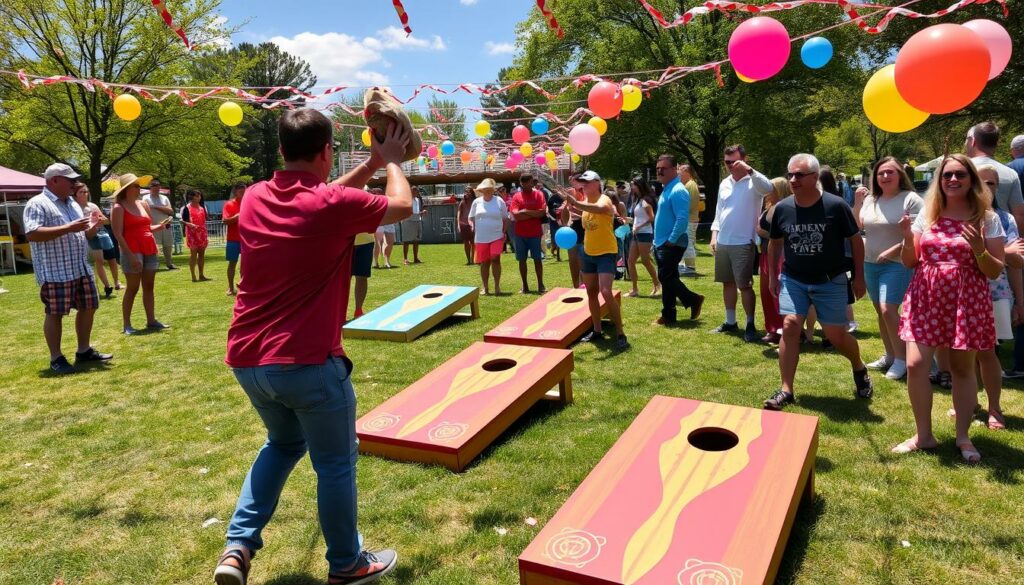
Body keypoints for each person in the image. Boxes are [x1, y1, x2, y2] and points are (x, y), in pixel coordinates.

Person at [217, 110, 410, 585]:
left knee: (282, 445)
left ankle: (238, 546)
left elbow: (323, 195)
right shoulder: (331, 205)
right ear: (326, 152)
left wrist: (367, 164)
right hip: (306, 363)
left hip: (248, 361)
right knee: (336, 464)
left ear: (282, 150)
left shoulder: (256, 196)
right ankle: (347, 563)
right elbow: (401, 206)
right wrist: (391, 161)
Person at [893, 154, 1005, 463]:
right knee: (916, 365)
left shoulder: (986, 217)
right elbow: (910, 260)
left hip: (966, 299)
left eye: (959, 175)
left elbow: (994, 270)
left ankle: (963, 437)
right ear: (939, 181)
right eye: (946, 175)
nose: (952, 180)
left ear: (971, 180)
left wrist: (980, 249)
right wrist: (905, 238)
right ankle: (923, 435)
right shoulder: (928, 214)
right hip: (925, 296)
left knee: (962, 369)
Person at [764, 154, 872, 410]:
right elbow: (775, 242)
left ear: (815, 177)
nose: (793, 179)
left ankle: (859, 367)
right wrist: (772, 276)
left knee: (836, 335)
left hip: (830, 280)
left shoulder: (836, 206)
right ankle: (786, 389)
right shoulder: (782, 208)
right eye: (790, 175)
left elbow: (855, 241)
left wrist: (859, 276)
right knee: (790, 325)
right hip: (794, 278)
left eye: (799, 175)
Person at [23, 163, 113, 374]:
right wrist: (69, 228)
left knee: (89, 306)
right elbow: (33, 233)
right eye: (70, 180)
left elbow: (82, 234)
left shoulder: (72, 203)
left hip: (80, 267)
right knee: (55, 312)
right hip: (55, 270)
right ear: (54, 180)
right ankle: (56, 357)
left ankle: (84, 350)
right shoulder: (37, 203)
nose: (74, 184)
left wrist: (92, 228)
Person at [852, 157, 923, 381]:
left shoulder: (910, 199)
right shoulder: (871, 199)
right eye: (881, 173)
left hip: (898, 263)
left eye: (890, 172)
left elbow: (917, 233)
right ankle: (890, 354)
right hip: (871, 262)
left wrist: (892, 251)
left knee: (887, 309)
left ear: (900, 174)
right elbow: (856, 226)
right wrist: (856, 203)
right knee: (880, 312)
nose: (885, 176)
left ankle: (902, 359)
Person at [971, 165, 1023, 430]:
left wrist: (1021, 302)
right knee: (965, 352)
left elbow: (1017, 260)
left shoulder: (1004, 219)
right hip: (964, 292)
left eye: (992, 184)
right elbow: (1008, 254)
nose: (986, 189)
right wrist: (1005, 251)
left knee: (988, 351)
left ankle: (995, 408)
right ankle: (969, 402)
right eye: (981, 183)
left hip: (996, 292)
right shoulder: (961, 214)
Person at [711, 145, 773, 342]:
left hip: (743, 242)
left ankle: (750, 324)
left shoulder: (753, 182)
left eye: (734, 161)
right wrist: (714, 235)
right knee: (727, 283)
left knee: (744, 285)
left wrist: (750, 170)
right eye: (727, 162)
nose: (730, 165)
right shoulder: (724, 183)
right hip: (723, 241)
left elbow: (768, 188)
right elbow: (719, 212)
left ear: (744, 159)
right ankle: (730, 321)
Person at [565, 170, 629, 350]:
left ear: (597, 183)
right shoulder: (585, 203)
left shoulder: (604, 200)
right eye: (582, 182)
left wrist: (577, 203)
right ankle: (597, 330)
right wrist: (568, 208)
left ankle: (620, 332)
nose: (583, 185)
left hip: (606, 252)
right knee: (591, 293)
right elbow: (573, 218)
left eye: (587, 182)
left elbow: (602, 210)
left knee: (606, 291)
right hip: (588, 253)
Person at [110, 173, 171, 335]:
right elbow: (118, 234)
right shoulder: (118, 207)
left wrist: (160, 226)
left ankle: (151, 320)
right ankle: (127, 325)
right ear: (127, 189)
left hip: (149, 247)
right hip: (131, 250)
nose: (140, 188)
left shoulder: (143, 204)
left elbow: (147, 227)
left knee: (149, 286)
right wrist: (130, 256)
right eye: (136, 185)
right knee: (133, 287)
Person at [652, 155, 704, 325]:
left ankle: (693, 300)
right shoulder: (667, 188)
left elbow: (682, 219)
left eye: (663, 168)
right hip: (663, 242)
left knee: (665, 277)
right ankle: (668, 315)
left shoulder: (678, 190)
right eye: (658, 168)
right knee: (669, 278)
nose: (659, 171)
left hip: (671, 243)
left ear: (674, 170)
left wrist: (672, 239)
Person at [965, 121, 1024, 230]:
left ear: (973, 141)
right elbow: (1019, 214)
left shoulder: (957, 171)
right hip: (1004, 241)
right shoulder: (1010, 173)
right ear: (996, 144)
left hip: (966, 237)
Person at [756, 177, 791, 344]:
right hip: (764, 254)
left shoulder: (785, 208)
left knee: (778, 293)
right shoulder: (767, 208)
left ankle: (784, 329)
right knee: (766, 294)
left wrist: (763, 233)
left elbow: (784, 235)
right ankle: (772, 328)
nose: (768, 192)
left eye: (771, 188)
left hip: (780, 255)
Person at [73, 182, 114, 298]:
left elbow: (106, 220)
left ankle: (107, 286)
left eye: (86, 192)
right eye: (81, 192)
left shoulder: (92, 206)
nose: (85, 194)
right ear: (75, 194)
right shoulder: (73, 207)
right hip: (80, 237)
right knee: (88, 264)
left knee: (99, 261)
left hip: (95, 235)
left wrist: (99, 220)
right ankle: (93, 288)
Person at [509, 172, 547, 293]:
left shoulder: (539, 194)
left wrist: (525, 211)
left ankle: (541, 285)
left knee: (537, 259)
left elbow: (542, 212)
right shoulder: (516, 197)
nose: (527, 185)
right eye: (524, 182)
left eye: (529, 182)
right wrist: (533, 214)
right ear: (521, 183)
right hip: (520, 234)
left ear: (532, 182)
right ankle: (524, 286)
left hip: (535, 233)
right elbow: (515, 215)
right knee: (522, 260)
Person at [469, 178, 508, 295]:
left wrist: (504, 232)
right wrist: (472, 225)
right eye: (484, 189)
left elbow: (505, 219)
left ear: (492, 190)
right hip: (481, 237)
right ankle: (485, 287)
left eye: (489, 189)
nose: (487, 191)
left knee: (496, 259)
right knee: (484, 262)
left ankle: (497, 286)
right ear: (481, 190)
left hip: (497, 235)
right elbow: (471, 218)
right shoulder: (476, 202)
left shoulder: (499, 201)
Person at [625, 176, 660, 297]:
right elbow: (638, 218)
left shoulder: (645, 200)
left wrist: (638, 227)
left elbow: (651, 218)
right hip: (636, 234)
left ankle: (657, 284)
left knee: (645, 261)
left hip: (645, 234)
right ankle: (634, 289)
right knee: (630, 261)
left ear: (639, 185)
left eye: (633, 184)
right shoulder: (638, 200)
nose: (631, 187)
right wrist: (627, 220)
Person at [143, 178, 177, 270]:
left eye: (158, 185)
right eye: (154, 185)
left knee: (168, 245)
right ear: (150, 187)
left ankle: (169, 264)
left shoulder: (164, 198)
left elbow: (170, 211)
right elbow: (144, 212)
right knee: (155, 245)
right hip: (153, 226)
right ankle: (155, 264)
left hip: (165, 225)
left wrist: (155, 207)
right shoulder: (145, 198)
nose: (156, 187)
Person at [181, 189, 210, 282]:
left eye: (199, 195)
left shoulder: (203, 207)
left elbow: (205, 219)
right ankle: (193, 275)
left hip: (202, 233)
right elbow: (181, 220)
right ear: (192, 197)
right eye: (197, 195)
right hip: (191, 233)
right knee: (193, 254)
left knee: (202, 254)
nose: (199, 197)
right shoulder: (186, 208)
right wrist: (190, 224)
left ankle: (201, 274)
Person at [222, 182, 245, 296]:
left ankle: (244, 287)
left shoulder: (250, 202)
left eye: (244, 189)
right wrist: (238, 216)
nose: (242, 191)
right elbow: (225, 221)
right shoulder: (229, 204)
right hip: (233, 239)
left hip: (247, 239)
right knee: (232, 263)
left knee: (246, 265)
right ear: (235, 191)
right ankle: (231, 288)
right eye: (240, 189)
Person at [679, 164, 701, 276]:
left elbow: (689, 204)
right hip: (688, 219)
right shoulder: (687, 185)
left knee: (688, 243)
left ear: (687, 172)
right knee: (686, 242)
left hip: (689, 219)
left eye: (680, 171)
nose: (679, 174)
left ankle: (690, 267)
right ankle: (685, 265)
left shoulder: (690, 185)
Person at [401, 189, 426, 264]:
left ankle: (416, 258)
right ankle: (405, 259)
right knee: (407, 241)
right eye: (414, 191)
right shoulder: (406, 200)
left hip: (417, 220)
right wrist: (421, 212)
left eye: (417, 192)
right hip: (408, 221)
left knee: (416, 240)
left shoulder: (418, 200)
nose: (416, 193)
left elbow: (417, 211)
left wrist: (421, 213)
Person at [373, 194, 397, 268]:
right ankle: (375, 262)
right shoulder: (373, 202)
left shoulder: (390, 201)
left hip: (389, 223)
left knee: (390, 242)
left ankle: (387, 261)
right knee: (378, 242)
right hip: (379, 223)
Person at [457, 187, 476, 265]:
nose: (467, 193)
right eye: (466, 192)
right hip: (463, 224)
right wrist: (458, 225)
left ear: (472, 192)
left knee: (473, 242)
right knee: (466, 242)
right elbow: (458, 214)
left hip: (472, 224)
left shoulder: (475, 202)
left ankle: (472, 259)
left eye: (469, 191)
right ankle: (468, 260)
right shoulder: (462, 202)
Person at [545, 184, 564, 262]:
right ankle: (554, 250)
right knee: (554, 236)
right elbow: (548, 209)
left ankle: (557, 253)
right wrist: (554, 218)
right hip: (553, 220)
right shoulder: (551, 198)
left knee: (560, 237)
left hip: (561, 219)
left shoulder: (562, 198)